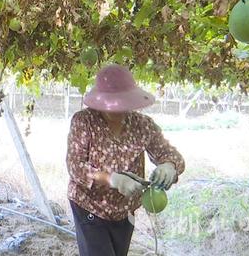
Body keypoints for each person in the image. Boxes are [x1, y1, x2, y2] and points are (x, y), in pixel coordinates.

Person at [66, 64, 185, 256]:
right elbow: (75, 166)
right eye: (111, 102)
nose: (117, 108)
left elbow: (170, 154)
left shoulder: (142, 125)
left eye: (122, 102)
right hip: (90, 206)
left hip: (125, 210)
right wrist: (112, 179)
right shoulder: (84, 121)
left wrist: (169, 166)